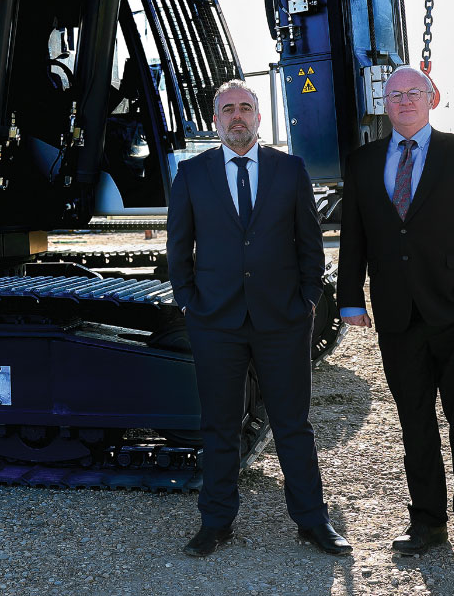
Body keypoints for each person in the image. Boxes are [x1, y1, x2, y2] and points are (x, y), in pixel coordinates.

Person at [167, 80, 351, 558]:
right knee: (220, 425)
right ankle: (215, 524)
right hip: (215, 321)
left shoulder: (289, 170)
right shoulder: (192, 174)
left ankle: (313, 523)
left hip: (282, 321)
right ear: (215, 120)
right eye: (227, 110)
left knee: (293, 425)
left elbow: (311, 245)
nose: (236, 117)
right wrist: (189, 300)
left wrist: (307, 298)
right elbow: (178, 247)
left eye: (245, 108)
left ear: (259, 117)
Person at [336, 66, 454, 568]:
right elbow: (355, 237)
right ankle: (428, 521)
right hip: (396, 314)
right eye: (395, 95)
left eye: (414, 93)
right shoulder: (363, 161)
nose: (404, 101)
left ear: (433, 98)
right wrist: (351, 297)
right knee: (414, 422)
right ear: (383, 105)